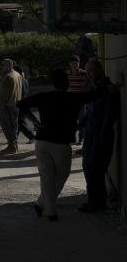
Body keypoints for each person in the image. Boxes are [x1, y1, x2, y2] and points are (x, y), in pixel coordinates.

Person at [17, 68, 123, 221]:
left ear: (53, 83)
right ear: (67, 83)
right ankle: (46, 208)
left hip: (42, 141)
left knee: (47, 177)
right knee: (61, 176)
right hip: (61, 144)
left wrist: (34, 121)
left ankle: (44, 207)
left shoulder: (43, 97)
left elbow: (20, 104)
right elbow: (99, 93)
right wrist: (119, 84)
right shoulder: (74, 99)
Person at [80, 59, 121, 212]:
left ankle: (96, 203)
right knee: (89, 168)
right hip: (91, 136)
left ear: (99, 70)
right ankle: (96, 200)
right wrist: (78, 124)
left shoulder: (108, 89)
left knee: (94, 170)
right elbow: (91, 113)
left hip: (100, 137)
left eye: (91, 71)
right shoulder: (96, 88)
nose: (89, 75)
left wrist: (101, 139)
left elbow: (109, 117)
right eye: (87, 72)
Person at [0, 58, 23, 154]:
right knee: (13, 126)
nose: (2, 67)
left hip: (7, 106)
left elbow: (5, 93)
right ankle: (14, 145)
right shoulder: (17, 74)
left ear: (8, 66)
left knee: (7, 127)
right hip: (16, 104)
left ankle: (11, 146)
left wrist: (1, 104)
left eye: (3, 65)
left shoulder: (8, 77)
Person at [67, 55, 88, 144]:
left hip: (81, 100)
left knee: (81, 119)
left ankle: (81, 138)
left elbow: (88, 85)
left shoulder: (84, 73)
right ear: (70, 64)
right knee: (71, 120)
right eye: (73, 64)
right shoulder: (66, 74)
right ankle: (72, 138)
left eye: (76, 63)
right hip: (70, 101)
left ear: (79, 64)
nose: (75, 65)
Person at [15, 65, 36, 143]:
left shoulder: (18, 80)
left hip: (19, 103)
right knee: (19, 121)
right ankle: (14, 138)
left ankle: (31, 136)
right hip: (25, 102)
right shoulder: (24, 80)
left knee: (20, 122)